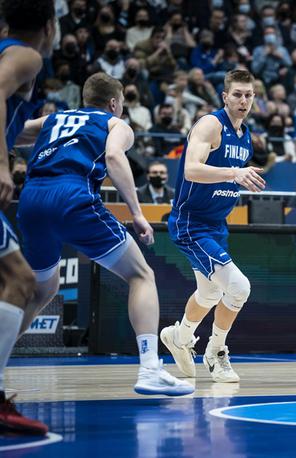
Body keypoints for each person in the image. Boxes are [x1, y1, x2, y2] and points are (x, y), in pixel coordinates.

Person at [18, 73, 194, 400]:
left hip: (30, 200)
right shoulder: (115, 124)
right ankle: (150, 369)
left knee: (43, 289)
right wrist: (137, 213)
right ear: (115, 103)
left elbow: (12, 133)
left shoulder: (54, 119)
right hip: (72, 196)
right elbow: (114, 157)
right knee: (141, 275)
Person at [161, 70, 265, 384]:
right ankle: (215, 352)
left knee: (209, 293)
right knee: (239, 287)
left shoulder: (246, 135)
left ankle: (179, 336)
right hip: (190, 223)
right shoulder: (211, 124)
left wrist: (236, 175)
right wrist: (234, 173)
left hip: (215, 225)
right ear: (224, 96)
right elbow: (191, 170)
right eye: (237, 94)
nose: (243, 100)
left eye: (248, 95)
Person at [0, 0, 55, 436]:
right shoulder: (28, 54)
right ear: (50, 27)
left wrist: (41, 127)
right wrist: (2, 164)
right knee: (21, 281)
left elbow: (9, 123)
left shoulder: (7, 50)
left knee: (14, 281)